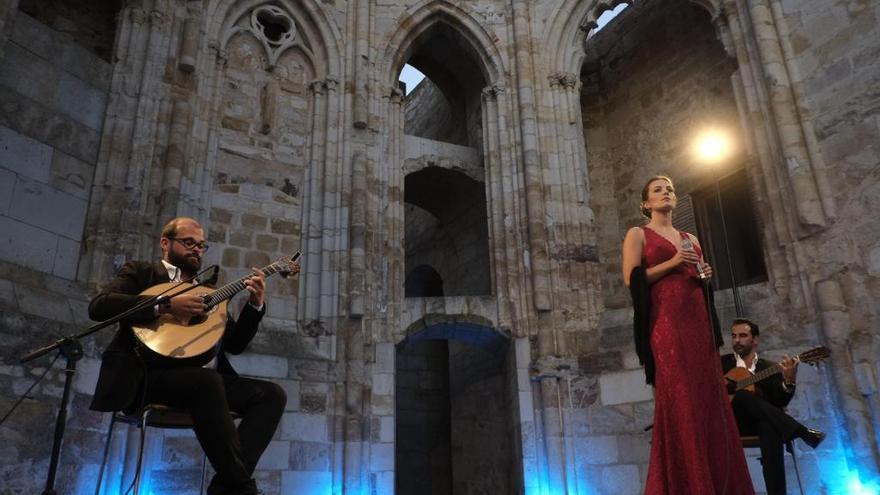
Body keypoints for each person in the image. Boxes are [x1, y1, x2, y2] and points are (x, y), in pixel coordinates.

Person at [89, 217, 296, 495]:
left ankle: (225, 488)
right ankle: (243, 489)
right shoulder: (141, 272)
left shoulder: (208, 293)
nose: (196, 250)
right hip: (145, 377)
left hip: (199, 382)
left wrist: (255, 306)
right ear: (166, 243)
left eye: (201, 245)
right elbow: (99, 306)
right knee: (207, 381)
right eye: (189, 243)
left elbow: (234, 345)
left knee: (271, 395)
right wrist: (165, 304)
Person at [622, 175, 754, 494]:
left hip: (698, 325)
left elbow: (695, 273)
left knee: (710, 402)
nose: (666, 192)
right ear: (646, 203)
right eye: (658, 190)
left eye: (669, 189)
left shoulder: (690, 237)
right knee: (681, 400)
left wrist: (704, 273)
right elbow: (632, 280)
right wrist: (674, 262)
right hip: (666, 326)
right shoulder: (638, 234)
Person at [722, 318, 825, 495]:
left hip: (756, 424)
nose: (737, 340)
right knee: (743, 396)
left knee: (769, 427)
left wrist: (789, 380)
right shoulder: (721, 364)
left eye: (743, 336)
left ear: (755, 340)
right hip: (728, 422)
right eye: (734, 336)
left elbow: (780, 401)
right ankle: (802, 432)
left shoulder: (769, 367)